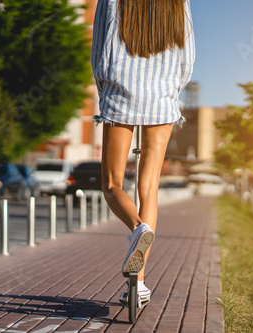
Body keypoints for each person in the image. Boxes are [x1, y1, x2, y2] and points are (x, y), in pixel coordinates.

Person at [91, 0, 195, 307]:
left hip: (120, 93)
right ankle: (140, 283)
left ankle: (138, 228)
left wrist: (104, 87)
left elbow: (100, 46)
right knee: (149, 190)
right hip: (162, 97)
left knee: (112, 185)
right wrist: (173, 89)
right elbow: (187, 54)